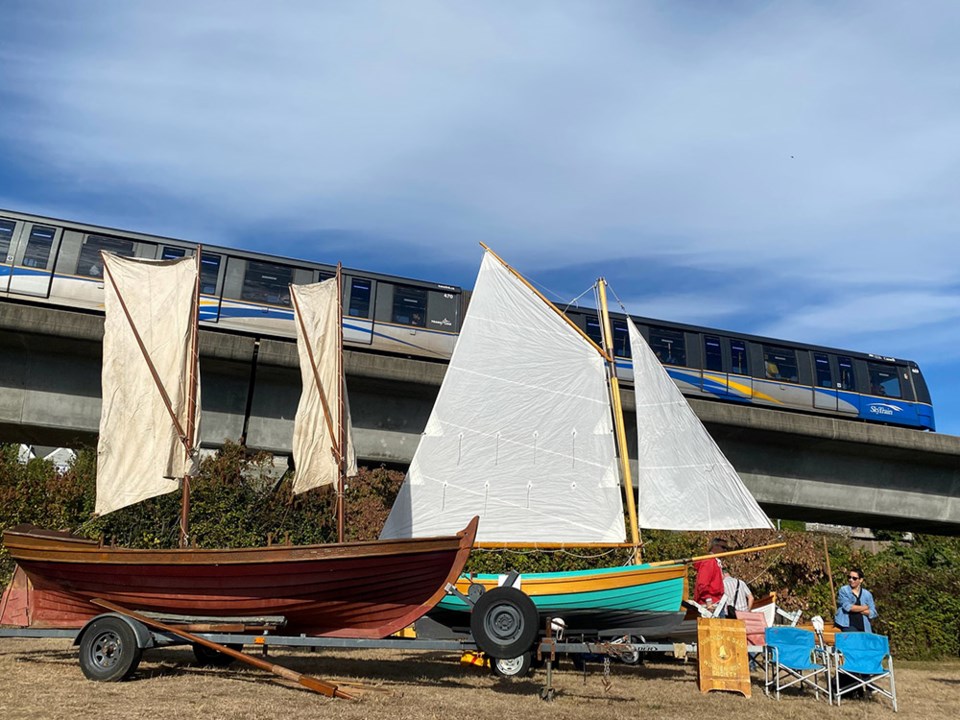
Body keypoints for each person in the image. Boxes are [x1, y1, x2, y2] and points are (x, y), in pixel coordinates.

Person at [834, 568, 877, 633]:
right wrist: (865, 607)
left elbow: (873, 612)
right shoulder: (844, 590)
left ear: (861, 580)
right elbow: (848, 607)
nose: (851, 580)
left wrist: (862, 611)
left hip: (864, 626)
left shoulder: (867, 594)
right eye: (849, 577)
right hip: (847, 625)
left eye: (854, 578)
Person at [693, 537, 727, 611]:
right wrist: (708, 601)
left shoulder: (715, 562)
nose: (725, 550)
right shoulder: (709, 561)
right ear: (715, 546)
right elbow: (702, 583)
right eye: (723, 547)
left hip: (716, 603)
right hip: (709, 605)